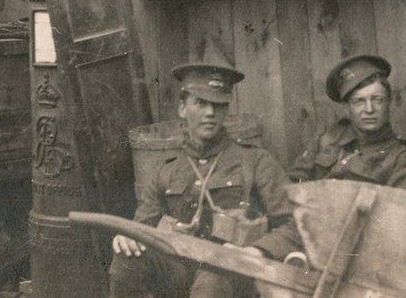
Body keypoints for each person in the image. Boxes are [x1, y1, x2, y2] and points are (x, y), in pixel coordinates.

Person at [108, 64, 298, 297]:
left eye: (218, 105)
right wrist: (129, 236)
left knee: (212, 283)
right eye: (200, 103)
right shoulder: (167, 169)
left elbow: (295, 224)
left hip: (231, 272)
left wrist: (256, 251)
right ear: (182, 108)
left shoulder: (255, 161)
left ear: (226, 110)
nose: (210, 112)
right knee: (126, 260)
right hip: (177, 269)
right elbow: (142, 227)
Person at [289, 54, 406, 188]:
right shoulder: (326, 140)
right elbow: (294, 182)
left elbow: (400, 207)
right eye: (359, 101)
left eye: (377, 99)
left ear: (389, 102)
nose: (369, 109)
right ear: (347, 108)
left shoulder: (404, 160)